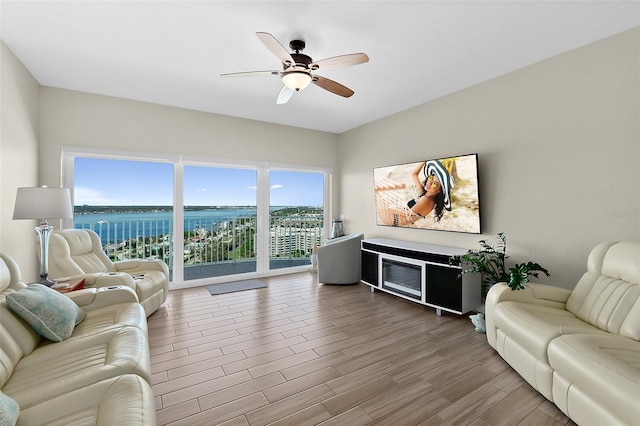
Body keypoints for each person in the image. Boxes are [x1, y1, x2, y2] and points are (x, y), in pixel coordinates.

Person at [378, 159, 454, 227]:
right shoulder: (426, 194)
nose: (429, 183)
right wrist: (425, 159)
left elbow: (408, 214)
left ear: (439, 190)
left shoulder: (426, 199)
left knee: (376, 194)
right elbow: (414, 174)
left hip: (393, 219)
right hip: (394, 217)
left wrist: (394, 209)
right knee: (377, 194)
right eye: (430, 178)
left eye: (434, 184)